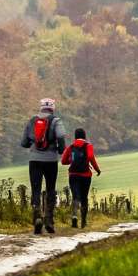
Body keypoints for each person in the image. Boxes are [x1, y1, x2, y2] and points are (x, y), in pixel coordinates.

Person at [21, 97, 66, 234]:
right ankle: (49, 220)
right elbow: (61, 137)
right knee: (50, 188)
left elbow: (24, 142)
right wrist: (60, 149)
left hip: (34, 160)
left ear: (40, 107)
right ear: (52, 108)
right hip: (51, 160)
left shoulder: (32, 121)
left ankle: (37, 217)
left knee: (36, 189)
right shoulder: (56, 121)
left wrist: (32, 144)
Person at [61, 127, 101, 228]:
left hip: (73, 175)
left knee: (75, 197)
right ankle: (83, 221)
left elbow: (63, 161)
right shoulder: (88, 146)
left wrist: (73, 160)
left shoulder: (71, 147)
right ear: (84, 136)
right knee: (84, 198)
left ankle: (74, 216)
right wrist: (97, 169)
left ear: (75, 136)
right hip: (85, 176)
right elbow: (91, 157)